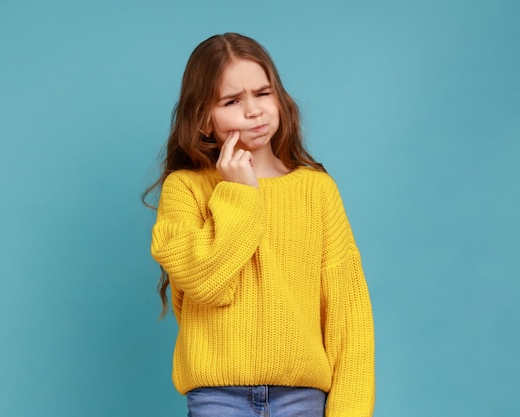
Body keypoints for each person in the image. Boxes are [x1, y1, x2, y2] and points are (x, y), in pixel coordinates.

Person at [145, 32, 375, 417]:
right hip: (218, 399)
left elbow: (348, 319)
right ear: (203, 119)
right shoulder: (185, 189)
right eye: (232, 101)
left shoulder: (317, 191)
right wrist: (240, 194)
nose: (254, 111)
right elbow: (207, 284)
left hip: (303, 399)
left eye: (263, 93)